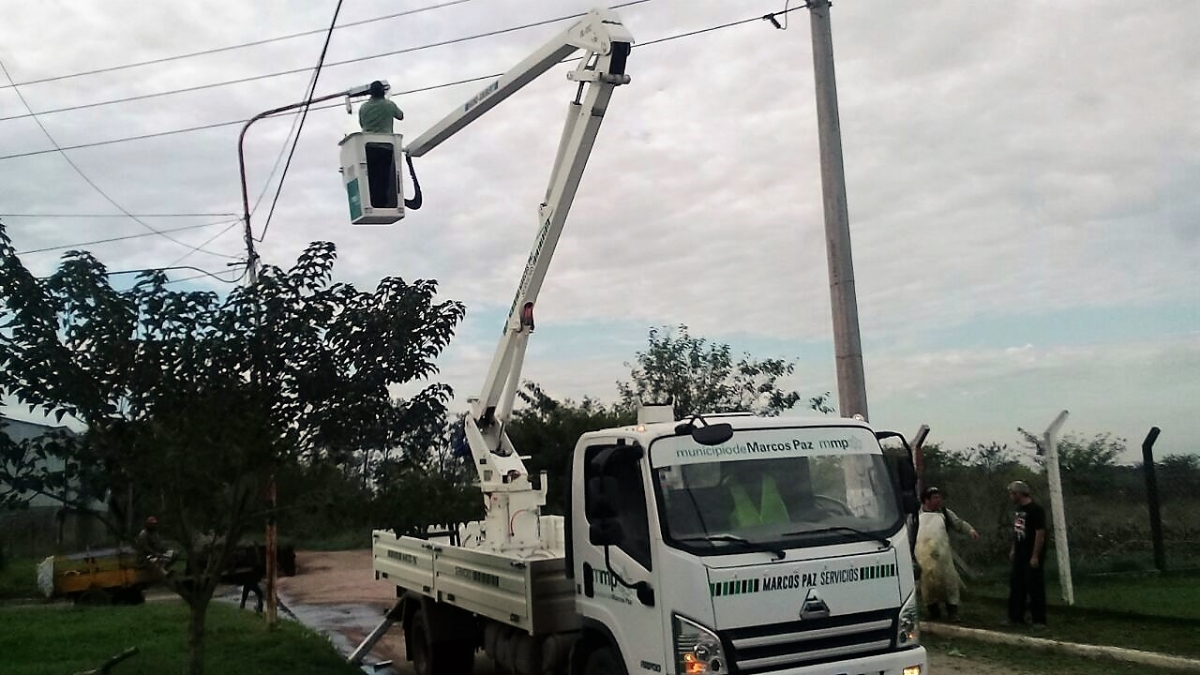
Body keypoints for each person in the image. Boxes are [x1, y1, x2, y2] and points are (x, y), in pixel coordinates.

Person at [914, 487, 978, 622]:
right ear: (926, 500)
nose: (939, 500)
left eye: (939, 497)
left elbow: (959, 524)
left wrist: (970, 530)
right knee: (927, 586)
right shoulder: (915, 515)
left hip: (943, 557)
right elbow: (909, 533)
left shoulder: (944, 513)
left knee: (949, 583)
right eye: (935, 498)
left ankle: (953, 613)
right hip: (923, 557)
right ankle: (933, 612)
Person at [1007, 480, 1047, 628]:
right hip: (1019, 552)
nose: (1010, 497)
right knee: (1017, 584)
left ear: (1018, 494)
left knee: (1034, 586)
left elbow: (1040, 533)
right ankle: (1015, 617)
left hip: (1031, 552)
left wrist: (1035, 555)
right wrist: (1013, 548)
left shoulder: (1036, 510)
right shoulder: (1019, 510)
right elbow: (1017, 531)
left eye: (1012, 493)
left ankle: (1039, 619)